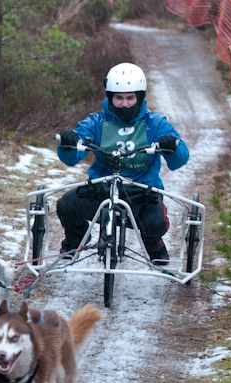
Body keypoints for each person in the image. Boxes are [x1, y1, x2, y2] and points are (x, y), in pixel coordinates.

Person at [56, 62, 189, 265]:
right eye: (119, 98)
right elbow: (71, 157)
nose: (125, 104)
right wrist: (69, 144)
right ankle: (75, 240)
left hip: (142, 192)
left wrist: (172, 147)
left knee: (156, 223)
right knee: (66, 205)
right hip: (102, 187)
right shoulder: (96, 122)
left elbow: (180, 159)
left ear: (140, 97)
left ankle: (154, 244)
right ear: (110, 97)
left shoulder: (155, 123)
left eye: (130, 98)